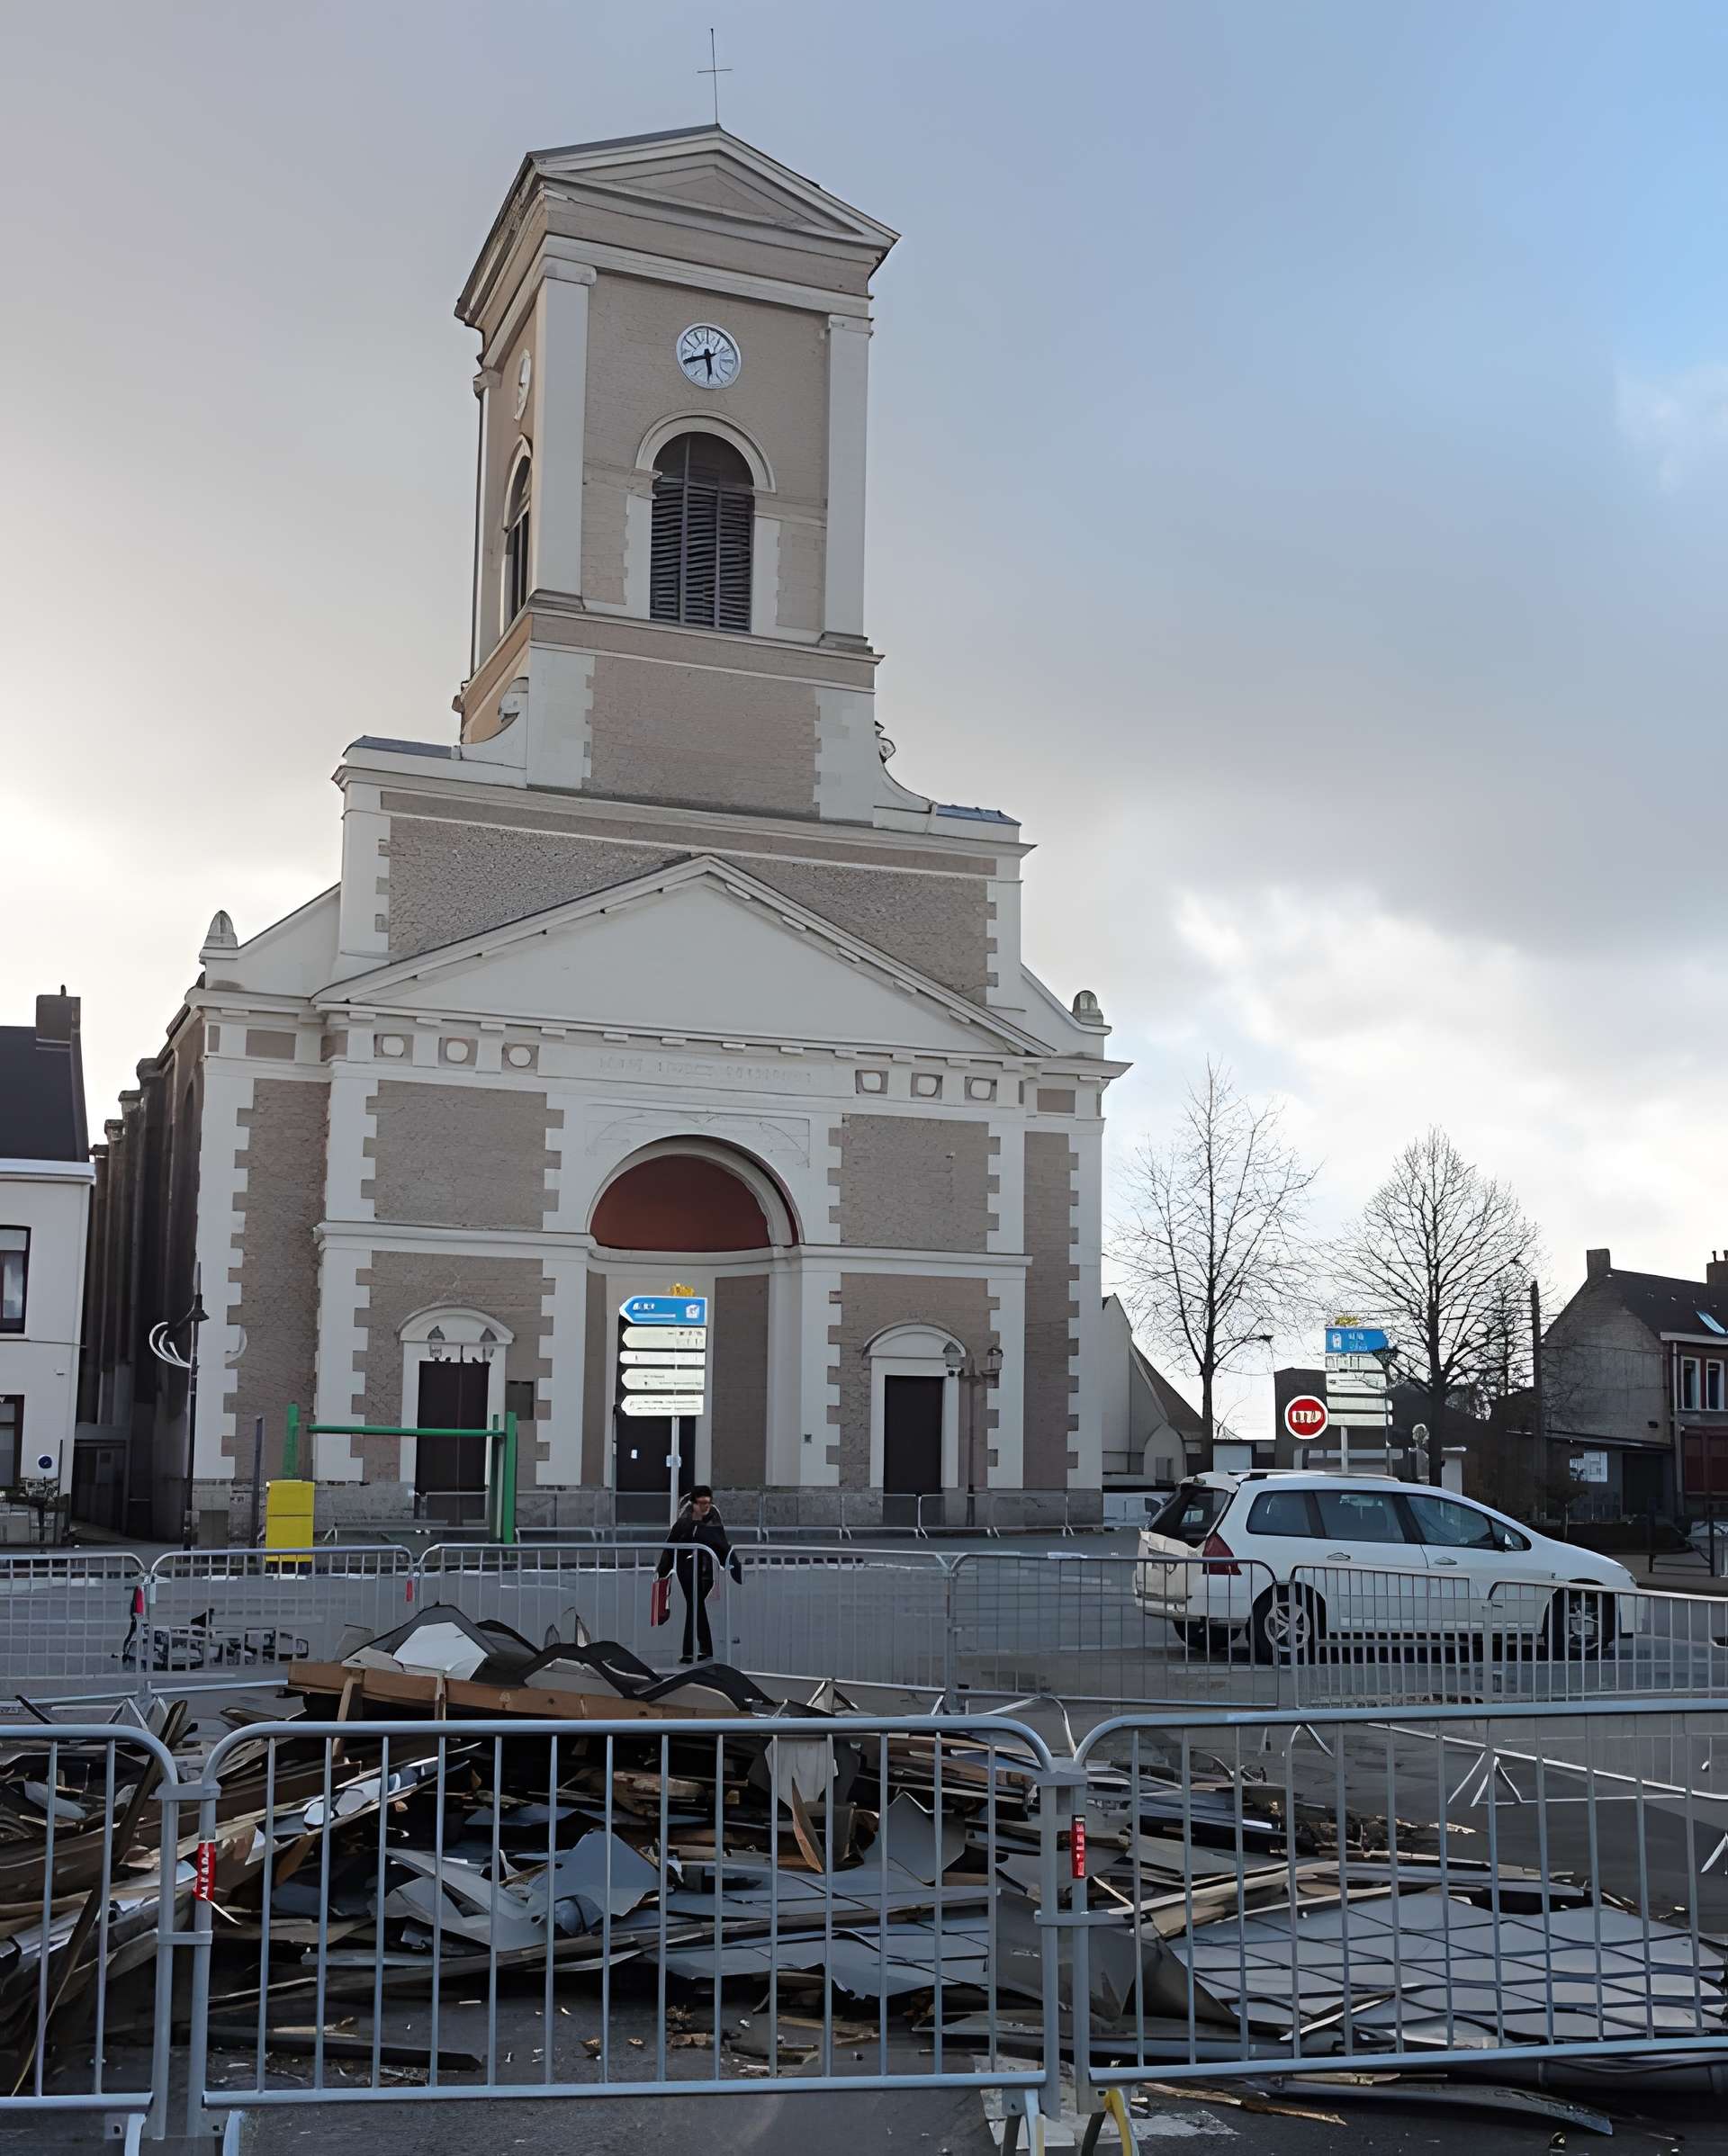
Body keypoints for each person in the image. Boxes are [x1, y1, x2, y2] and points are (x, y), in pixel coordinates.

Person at [656, 1485, 742, 1664]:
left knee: (695, 1606)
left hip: (706, 1572)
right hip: (686, 1571)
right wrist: (662, 1571)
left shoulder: (713, 1518)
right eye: (701, 1502)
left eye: (707, 1503)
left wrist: (733, 1565)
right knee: (695, 1606)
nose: (704, 1506)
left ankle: (697, 1650)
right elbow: (671, 1545)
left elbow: (722, 1543)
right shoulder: (684, 1520)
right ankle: (697, 1649)